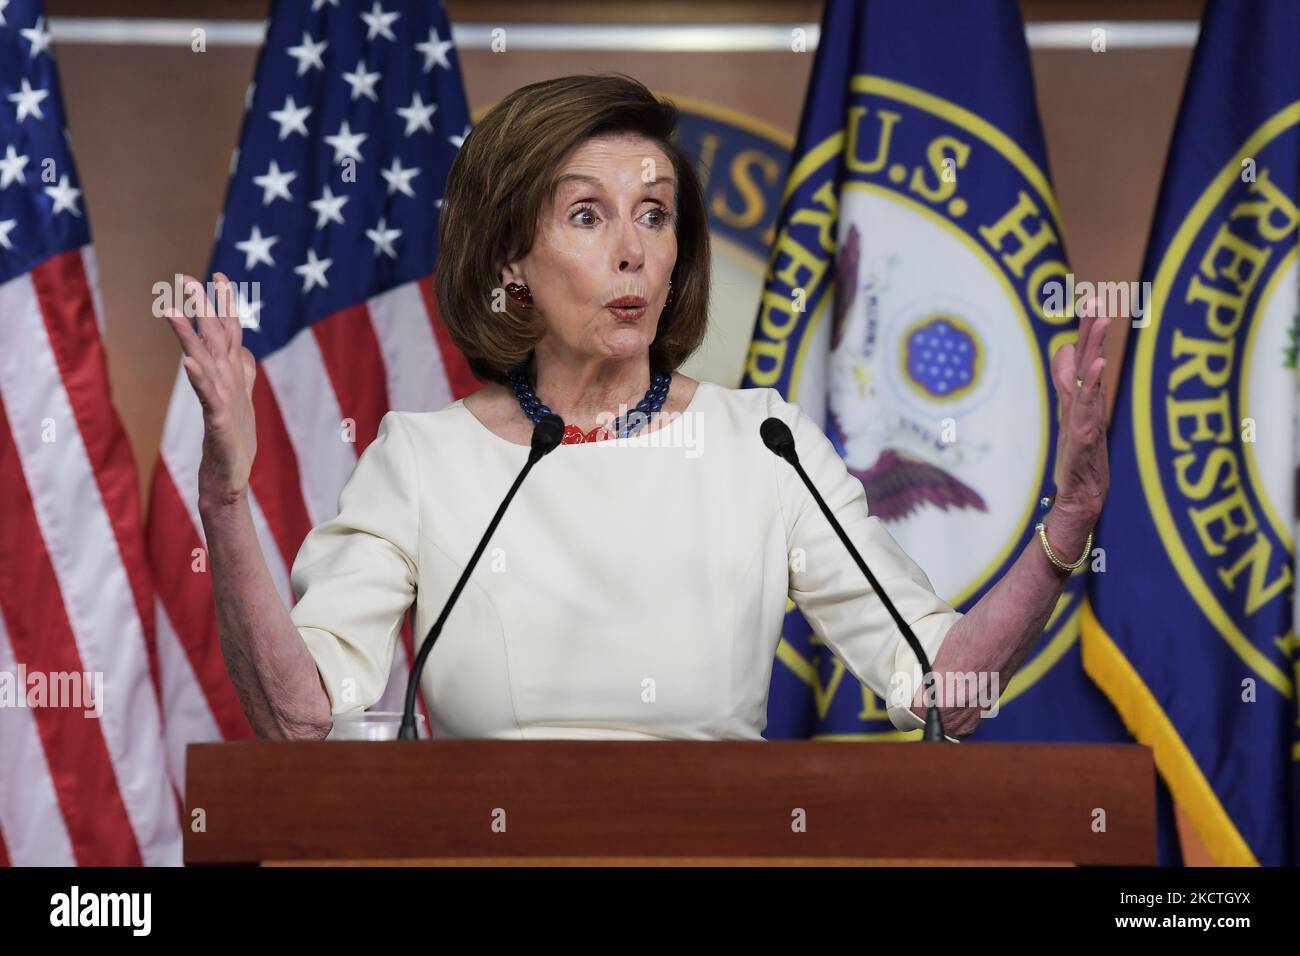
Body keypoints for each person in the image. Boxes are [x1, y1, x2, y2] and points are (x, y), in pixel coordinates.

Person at [164, 73, 1110, 742]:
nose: (633, 250)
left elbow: (949, 691)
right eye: (587, 215)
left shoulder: (764, 446)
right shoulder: (422, 459)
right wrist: (227, 499)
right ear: (510, 264)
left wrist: (1067, 520)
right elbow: (299, 717)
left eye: (654, 214)